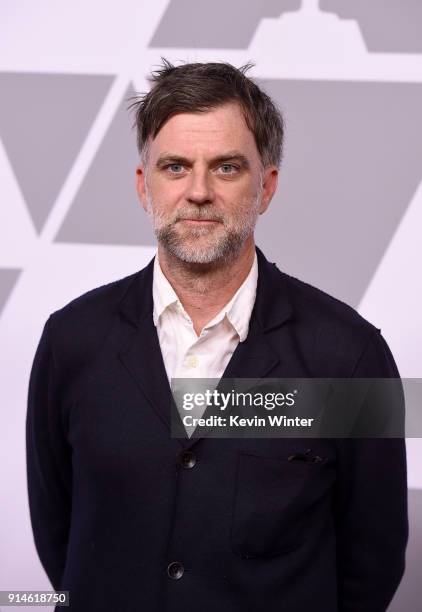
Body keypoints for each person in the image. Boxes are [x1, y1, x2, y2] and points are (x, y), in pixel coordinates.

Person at [26, 59, 408, 611]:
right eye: (175, 167)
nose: (198, 191)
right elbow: (58, 532)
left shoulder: (351, 355)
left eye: (227, 168)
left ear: (267, 185)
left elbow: (372, 558)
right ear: (143, 185)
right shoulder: (70, 341)